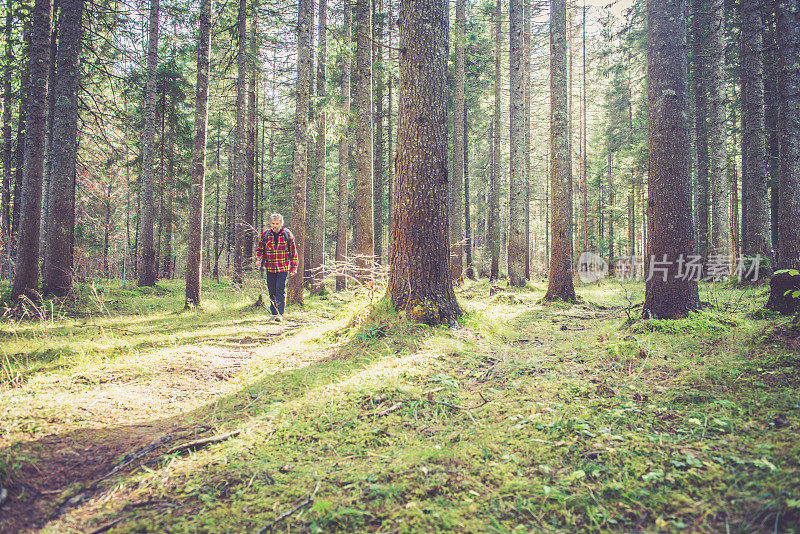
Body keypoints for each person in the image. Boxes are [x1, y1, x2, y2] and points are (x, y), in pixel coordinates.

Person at [255, 213, 298, 322]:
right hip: (270, 268)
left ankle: (280, 314)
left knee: (280, 290)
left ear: (281, 224)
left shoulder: (287, 235)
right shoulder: (265, 235)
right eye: (273, 223)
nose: (275, 226)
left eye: (277, 224)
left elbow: (293, 252)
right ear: (270, 224)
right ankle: (274, 314)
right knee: (272, 290)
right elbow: (259, 249)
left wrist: (293, 268)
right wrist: (258, 259)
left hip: (283, 268)